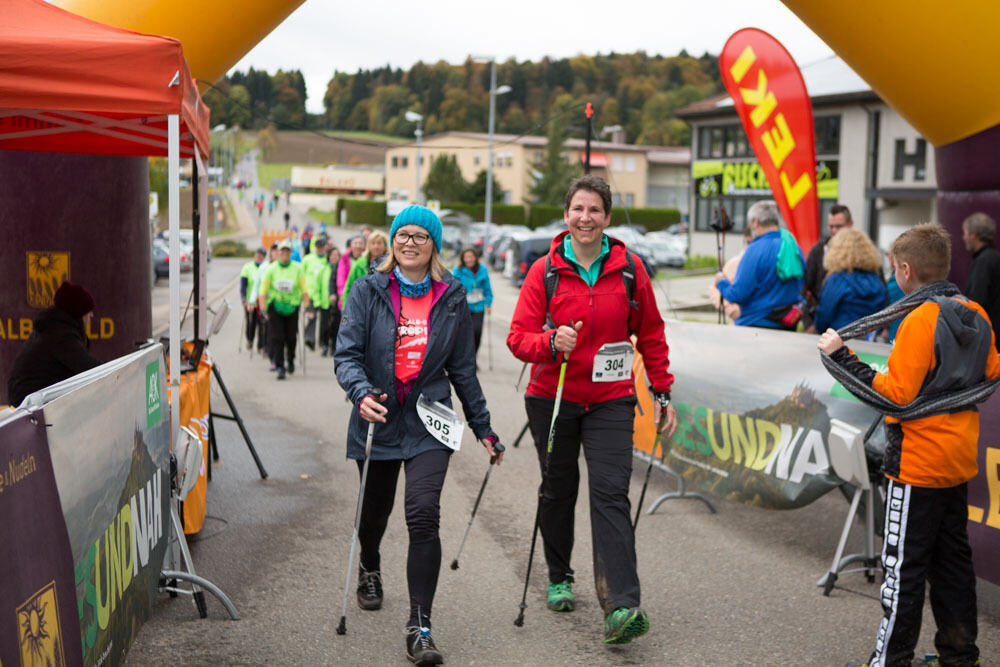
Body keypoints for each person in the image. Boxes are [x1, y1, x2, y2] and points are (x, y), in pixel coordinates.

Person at [507, 175, 677, 645]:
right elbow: (518, 338)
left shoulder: (628, 269)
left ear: (606, 217)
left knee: (610, 495)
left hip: (610, 400)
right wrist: (550, 341)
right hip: (552, 396)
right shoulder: (545, 270)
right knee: (558, 489)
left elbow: (653, 334)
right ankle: (559, 574)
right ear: (567, 215)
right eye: (578, 209)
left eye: (595, 210)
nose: (586, 217)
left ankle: (621, 604)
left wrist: (662, 392)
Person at [818, 223, 999, 667]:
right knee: (953, 565)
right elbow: (991, 374)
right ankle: (961, 656)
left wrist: (841, 356)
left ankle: (889, 661)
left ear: (903, 271)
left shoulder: (919, 319)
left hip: (916, 466)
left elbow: (894, 395)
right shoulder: (977, 312)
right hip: (957, 462)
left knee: (903, 570)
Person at [334, 204, 502, 666]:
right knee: (375, 512)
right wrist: (360, 391)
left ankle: (420, 626)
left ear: (434, 245)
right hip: (379, 416)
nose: (410, 243)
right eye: (402, 235)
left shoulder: (452, 297)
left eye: (420, 237)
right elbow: (346, 354)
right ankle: (370, 564)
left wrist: (484, 428)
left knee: (423, 513)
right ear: (392, 241)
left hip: (430, 420)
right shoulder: (368, 290)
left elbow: (463, 369)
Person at [714, 200, 806, 329]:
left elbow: (739, 295)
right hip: (788, 322)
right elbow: (803, 283)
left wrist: (721, 281)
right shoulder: (792, 245)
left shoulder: (755, 249)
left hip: (756, 325)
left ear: (755, 222)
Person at [7, 281, 100, 406]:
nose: (92, 316)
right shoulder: (60, 335)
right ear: (79, 314)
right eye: (88, 313)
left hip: (28, 399)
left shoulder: (52, 329)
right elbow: (90, 369)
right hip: (30, 404)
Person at [808, 228, 888, 335]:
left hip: (840, 339)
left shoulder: (836, 280)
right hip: (869, 341)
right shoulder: (876, 281)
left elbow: (823, 317)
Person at [258, 239, 310, 380]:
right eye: (282, 251)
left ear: (290, 252)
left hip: (292, 307)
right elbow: (263, 291)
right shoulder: (271, 269)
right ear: (278, 253)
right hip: (276, 307)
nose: (285, 253)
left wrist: (307, 304)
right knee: (277, 337)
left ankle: (291, 359)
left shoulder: (297, 268)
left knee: (291, 337)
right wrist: (263, 309)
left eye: (287, 251)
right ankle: (280, 366)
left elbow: (304, 288)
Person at [802, 204, 854, 325]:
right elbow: (804, 287)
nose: (834, 231)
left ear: (850, 224)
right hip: (823, 323)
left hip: (854, 323)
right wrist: (808, 323)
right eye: (831, 226)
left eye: (838, 226)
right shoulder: (818, 251)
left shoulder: (863, 252)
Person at [962, 212, 1000, 349]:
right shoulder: (994, 257)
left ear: (974, 235)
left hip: (988, 338)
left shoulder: (984, 261)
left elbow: (976, 301)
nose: (964, 237)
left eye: (965, 233)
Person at [708, 225, 753, 322]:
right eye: (748, 242)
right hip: (739, 323)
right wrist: (731, 309)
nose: (751, 246)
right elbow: (714, 289)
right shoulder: (735, 263)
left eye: (753, 242)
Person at [453, 247, 493, 354]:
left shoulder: (483, 270)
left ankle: (473, 357)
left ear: (475, 258)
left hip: (479, 307)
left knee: (477, 332)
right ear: (462, 259)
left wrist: (488, 303)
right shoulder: (458, 271)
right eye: (466, 257)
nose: (469, 260)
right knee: (464, 334)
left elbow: (487, 288)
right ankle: (463, 357)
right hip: (464, 307)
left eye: (471, 257)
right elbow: (452, 288)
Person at [342, 231, 389, 309]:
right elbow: (349, 287)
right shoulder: (359, 264)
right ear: (368, 246)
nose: (376, 246)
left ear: (385, 246)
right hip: (360, 308)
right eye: (373, 243)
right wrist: (346, 310)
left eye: (379, 243)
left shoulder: (390, 265)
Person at [249, 242, 278, 361]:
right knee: (265, 326)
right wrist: (251, 301)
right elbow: (257, 286)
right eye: (274, 250)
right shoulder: (264, 267)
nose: (276, 253)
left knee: (277, 329)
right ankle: (267, 348)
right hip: (265, 301)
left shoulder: (284, 266)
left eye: (278, 250)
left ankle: (275, 350)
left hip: (279, 302)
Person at [302, 235, 330, 351]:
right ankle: (309, 339)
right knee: (311, 317)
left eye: (322, 246)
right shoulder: (308, 259)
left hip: (324, 295)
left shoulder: (327, 260)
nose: (320, 249)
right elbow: (301, 274)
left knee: (324, 321)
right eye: (318, 247)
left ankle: (323, 342)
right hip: (311, 294)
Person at [240, 247, 267, 350]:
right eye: (257, 254)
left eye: (261, 255)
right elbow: (243, 285)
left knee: (262, 324)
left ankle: (261, 345)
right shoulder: (247, 267)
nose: (259, 256)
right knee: (251, 323)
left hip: (261, 302)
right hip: (250, 302)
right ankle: (250, 340)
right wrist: (244, 299)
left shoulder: (265, 268)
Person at [321, 246, 342, 356]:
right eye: (332, 255)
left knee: (335, 325)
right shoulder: (324, 267)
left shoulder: (341, 268)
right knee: (324, 326)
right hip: (324, 300)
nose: (334, 257)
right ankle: (324, 344)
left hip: (337, 301)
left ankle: (333, 346)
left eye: (336, 255)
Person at [338, 235, 366, 308]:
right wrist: (342, 292)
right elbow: (341, 276)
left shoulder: (367, 259)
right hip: (347, 294)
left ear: (364, 245)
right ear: (351, 245)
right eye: (355, 243)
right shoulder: (345, 259)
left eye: (360, 243)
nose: (358, 246)